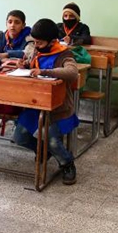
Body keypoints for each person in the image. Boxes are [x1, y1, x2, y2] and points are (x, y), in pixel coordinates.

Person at [12, 18, 79, 184]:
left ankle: (66, 163)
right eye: (35, 42)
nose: (36, 46)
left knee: (52, 139)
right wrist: (25, 65)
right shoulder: (37, 50)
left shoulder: (64, 53)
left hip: (57, 107)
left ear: (52, 41)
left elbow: (72, 73)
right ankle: (44, 152)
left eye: (40, 43)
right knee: (19, 137)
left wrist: (45, 71)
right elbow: (32, 65)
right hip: (35, 104)